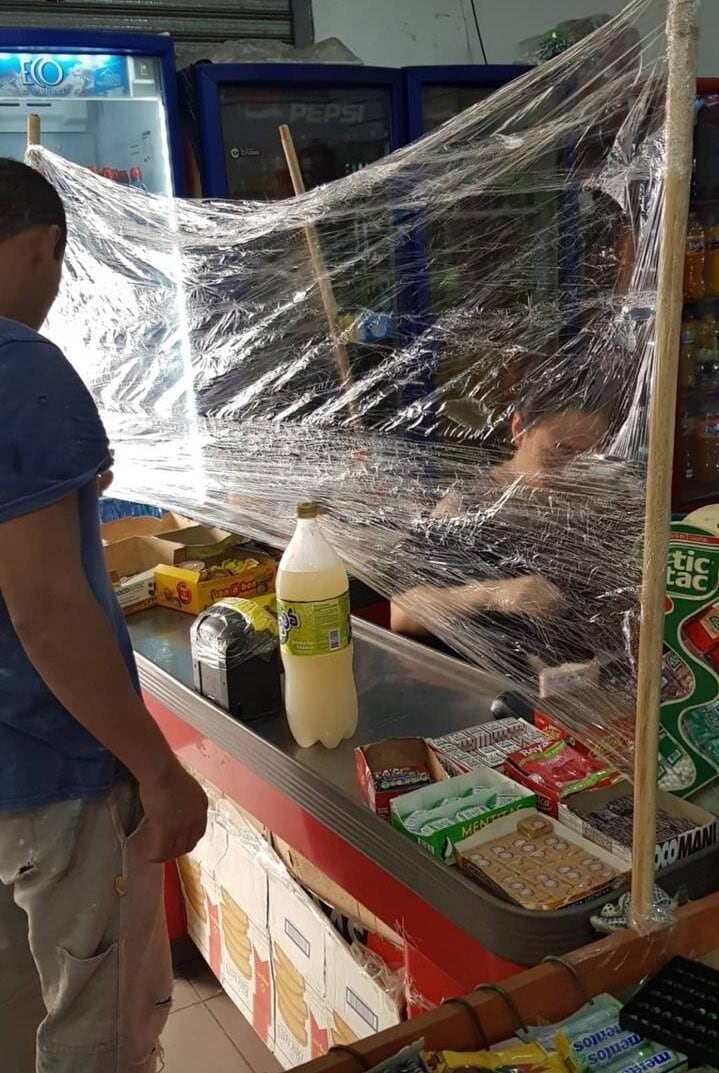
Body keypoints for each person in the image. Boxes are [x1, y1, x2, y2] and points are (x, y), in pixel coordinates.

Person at [0, 158, 208, 1073]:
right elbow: (45, 605)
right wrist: (156, 769)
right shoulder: (26, 370)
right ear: (47, 245)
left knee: (18, 1016)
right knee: (99, 1031)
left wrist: (63, 485)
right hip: (50, 763)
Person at [390, 358, 641, 683]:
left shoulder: (600, 503)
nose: (572, 473)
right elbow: (402, 612)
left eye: (588, 457)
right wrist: (493, 593)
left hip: (595, 684)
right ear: (519, 429)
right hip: (502, 694)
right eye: (560, 452)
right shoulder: (468, 505)